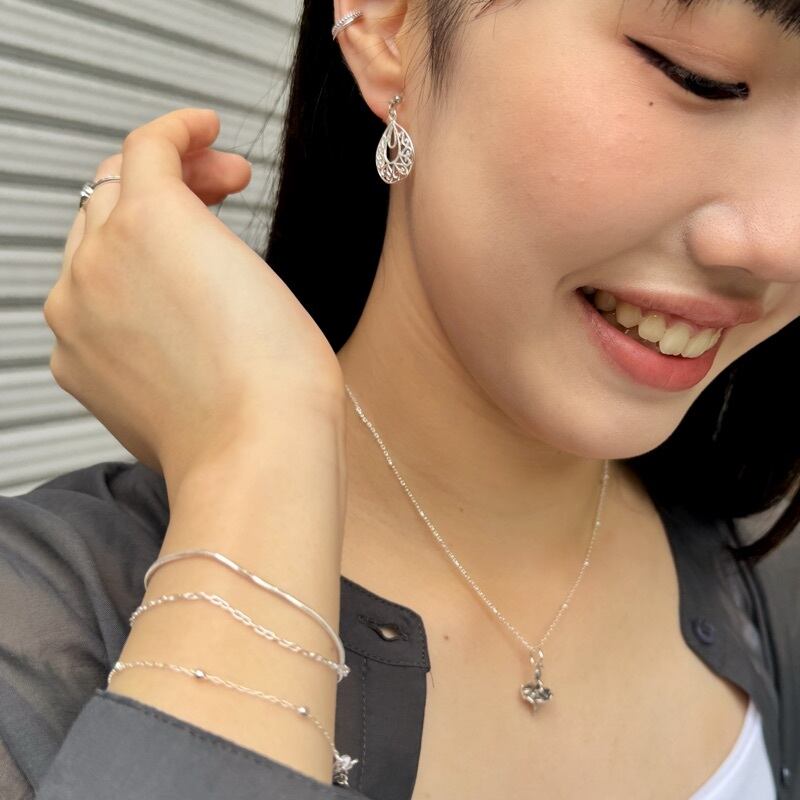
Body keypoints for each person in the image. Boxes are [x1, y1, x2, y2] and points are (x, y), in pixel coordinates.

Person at [1, 0, 799, 797]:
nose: (782, 246)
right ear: (389, 25)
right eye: (702, 77)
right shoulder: (43, 632)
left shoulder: (740, 555)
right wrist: (254, 461)